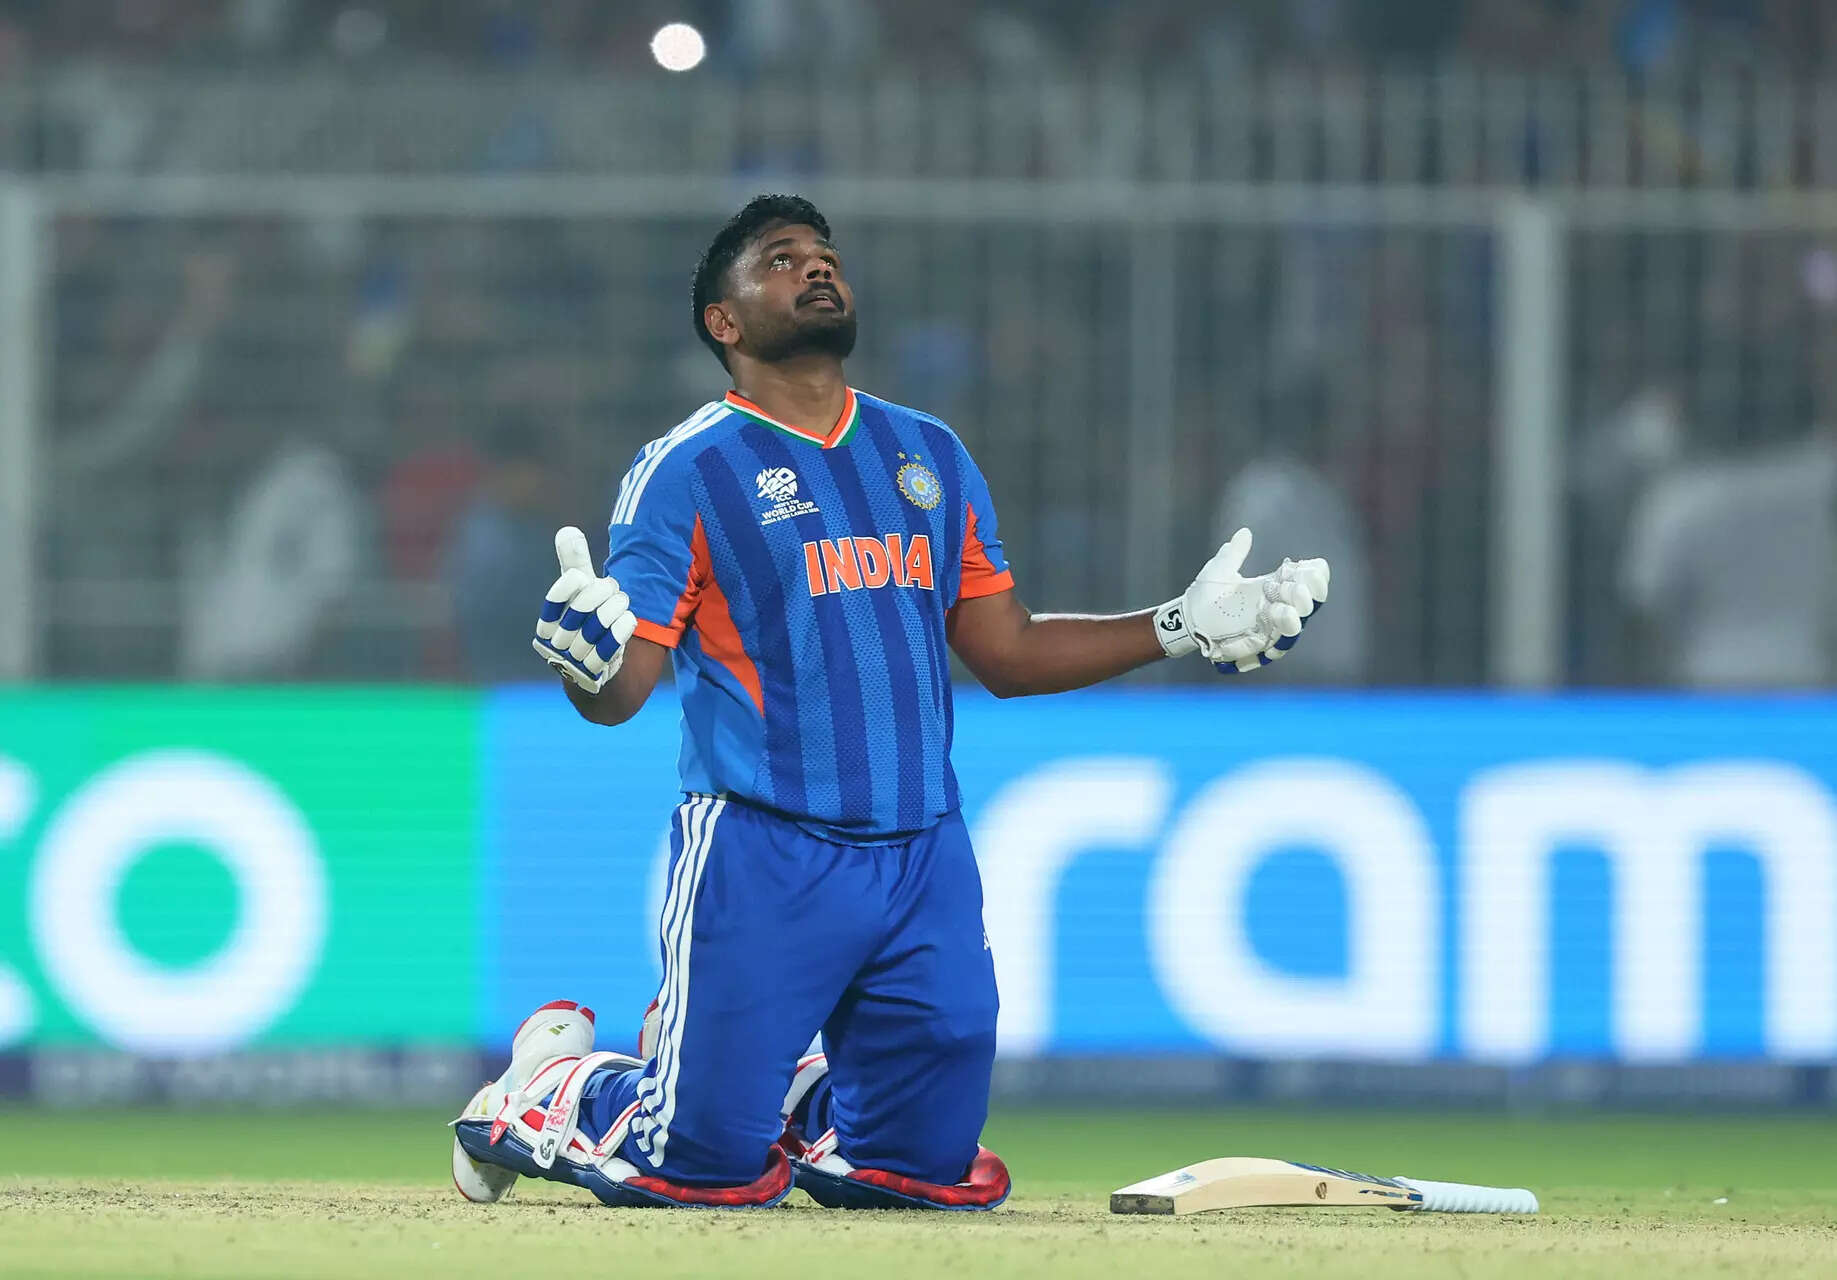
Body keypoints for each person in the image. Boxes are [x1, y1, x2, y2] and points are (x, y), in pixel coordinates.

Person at [451, 195, 1330, 1211]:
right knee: (696, 1169)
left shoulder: (928, 453)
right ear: (722, 324)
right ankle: (550, 1084)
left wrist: (1176, 623)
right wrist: (587, 662)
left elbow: (1006, 648)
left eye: (824, 256)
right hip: (762, 852)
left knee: (917, 1170)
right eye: (780, 260)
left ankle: (788, 1086)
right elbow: (622, 693)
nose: (816, 269)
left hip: (922, 856)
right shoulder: (685, 472)